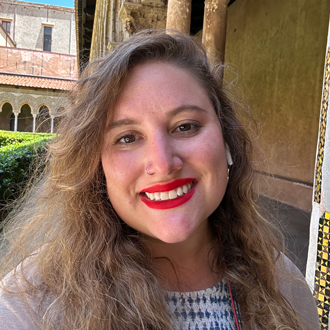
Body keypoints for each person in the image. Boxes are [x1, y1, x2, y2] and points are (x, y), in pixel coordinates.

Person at [0, 30, 319, 330]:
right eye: (127, 138)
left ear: (226, 140)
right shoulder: (32, 303)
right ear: (96, 166)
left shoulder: (282, 287)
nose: (164, 164)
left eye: (186, 126)